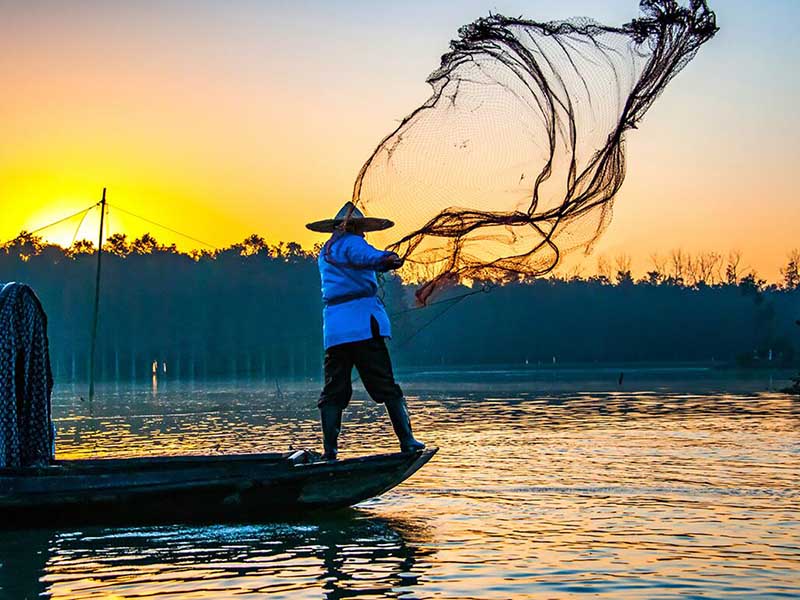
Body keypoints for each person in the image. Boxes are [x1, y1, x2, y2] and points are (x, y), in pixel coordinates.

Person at [306, 202, 425, 460]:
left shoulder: (326, 251)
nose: (363, 234)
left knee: (334, 390)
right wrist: (387, 259)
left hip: (335, 332)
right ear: (353, 228)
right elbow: (368, 257)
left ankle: (330, 453)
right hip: (362, 327)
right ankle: (407, 441)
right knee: (385, 385)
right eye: (360, 229)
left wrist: (382, 262)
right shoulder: (351, 243)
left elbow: (362, 261)